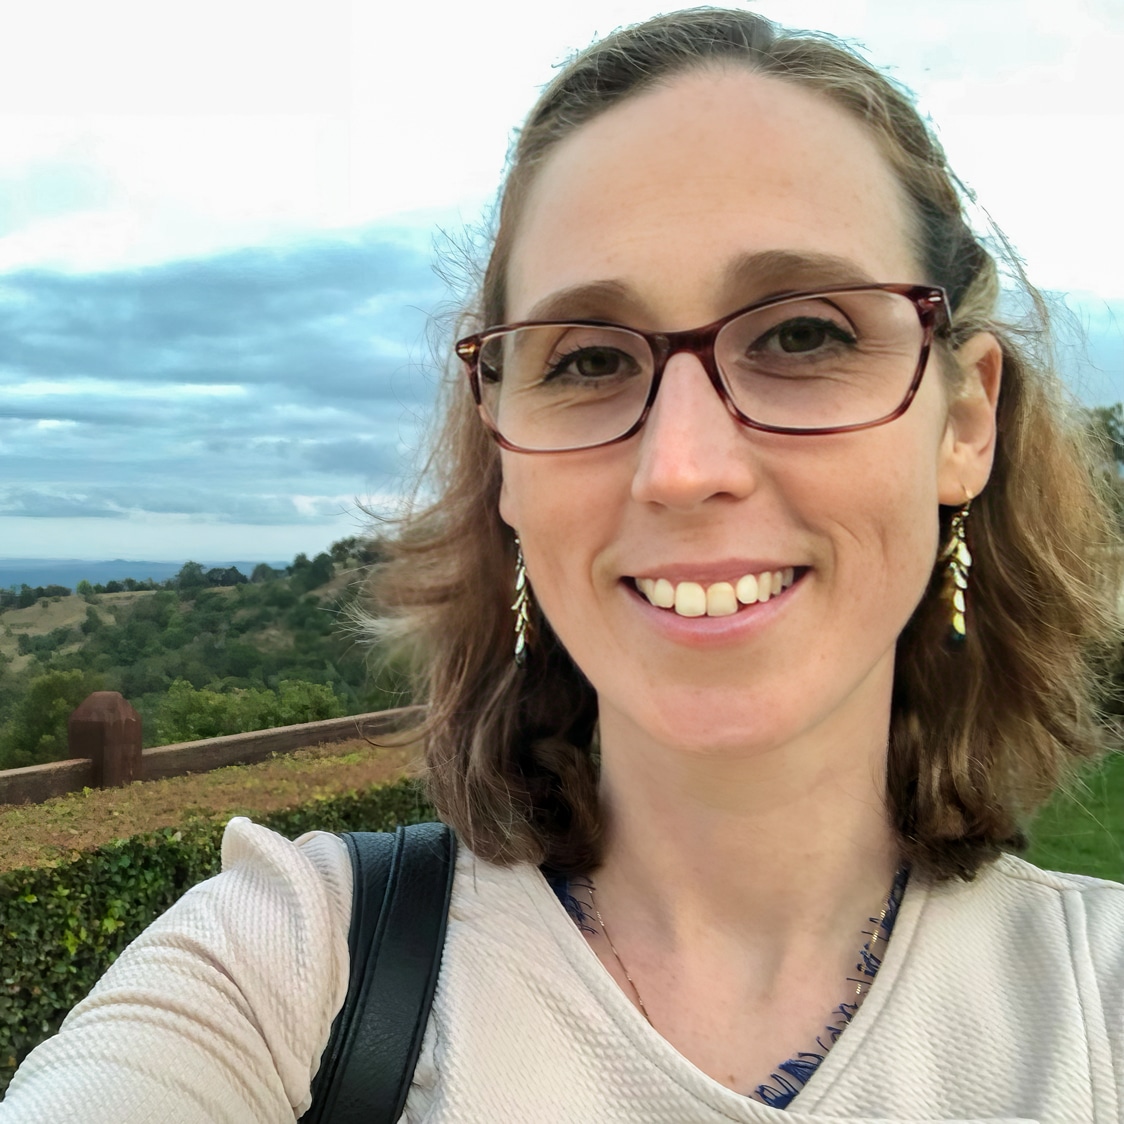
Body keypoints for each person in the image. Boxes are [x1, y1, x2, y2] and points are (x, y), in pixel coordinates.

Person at [2, 8, 1122, 1123]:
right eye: (587, 359)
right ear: (503, 454)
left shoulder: (1094, 1011)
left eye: (802, 335)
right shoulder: (288, 967)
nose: (682, 467)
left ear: (963, 419)